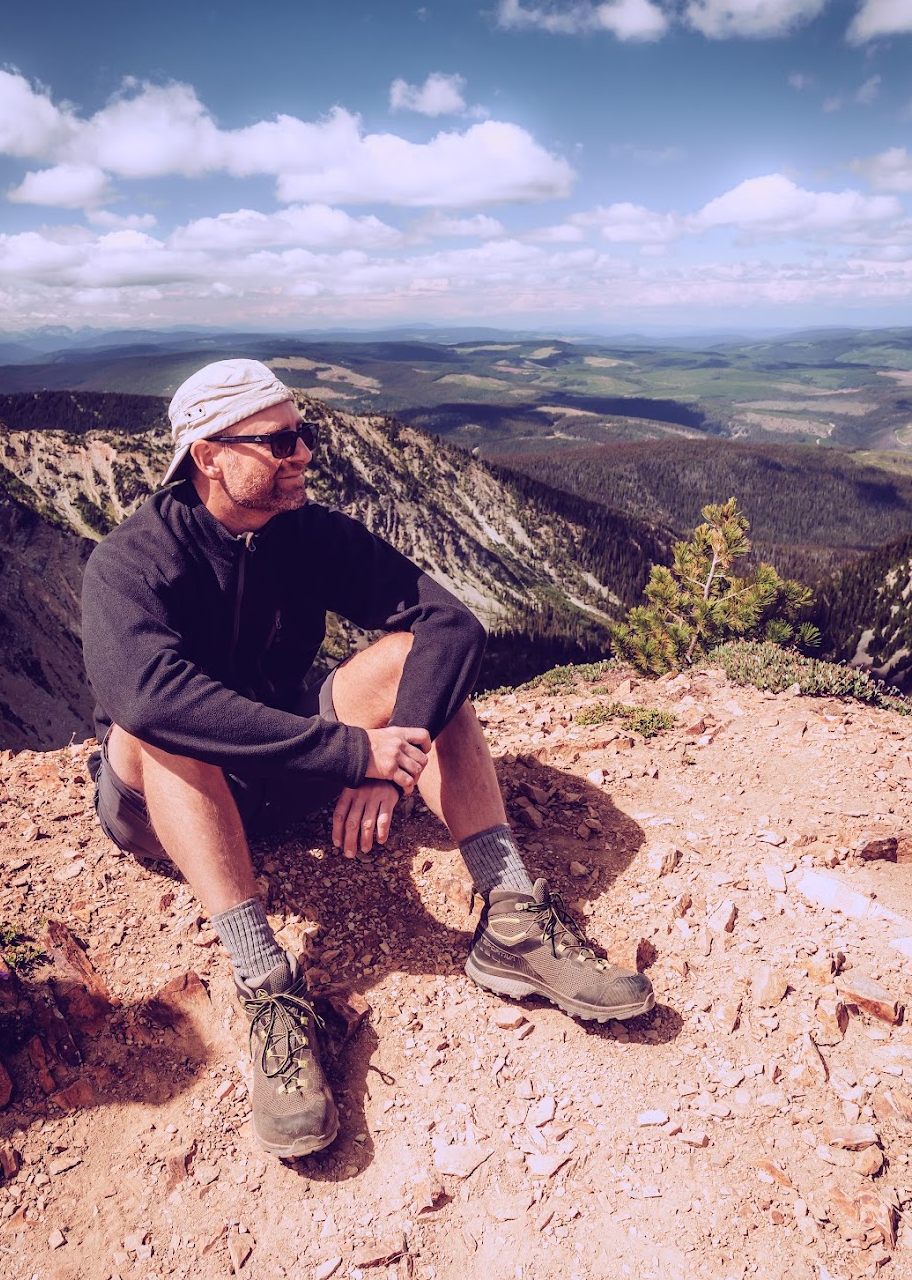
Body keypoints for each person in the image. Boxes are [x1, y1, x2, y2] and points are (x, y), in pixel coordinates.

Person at [81, 358, 654, 1159]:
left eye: (302, 435)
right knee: (159, 729)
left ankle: (513, 916)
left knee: (420, 664)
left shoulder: (305, 534)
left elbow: (451, 626)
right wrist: (347, 751)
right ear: (209, 455)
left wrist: (395, 755)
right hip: (166, 801)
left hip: (290, 765)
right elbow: (149, 701)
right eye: (279, 442)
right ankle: (267, 985)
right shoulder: (129, 564)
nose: (304, 454)